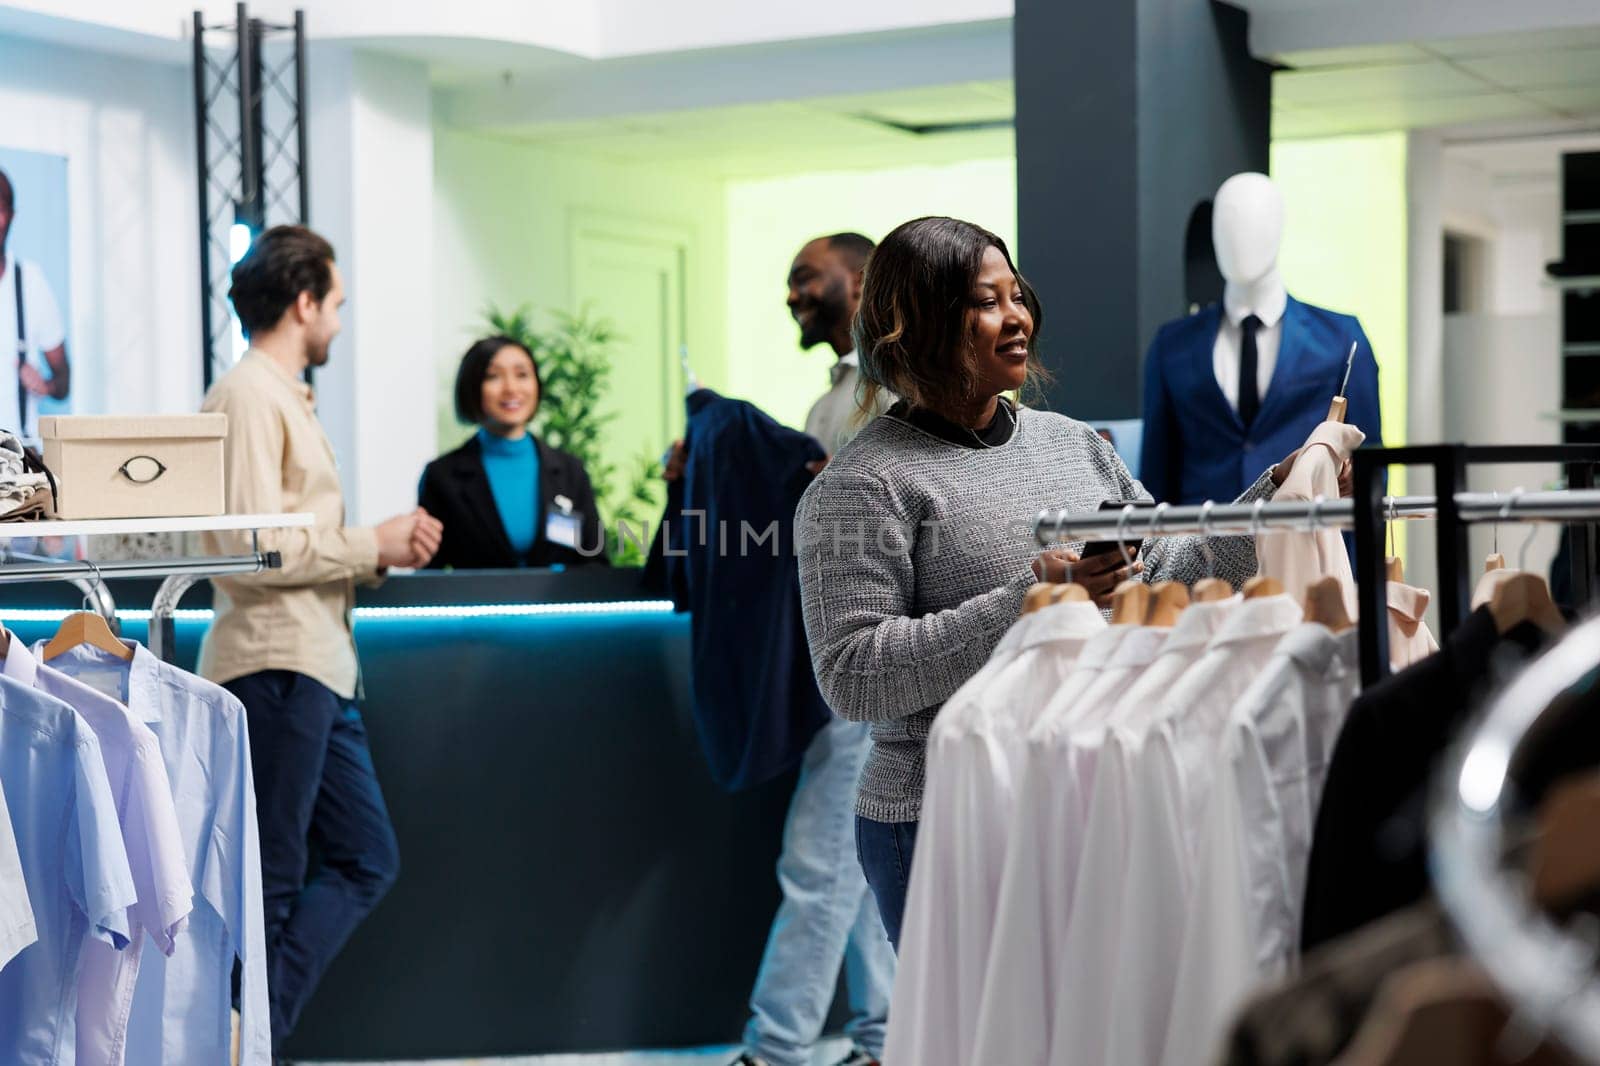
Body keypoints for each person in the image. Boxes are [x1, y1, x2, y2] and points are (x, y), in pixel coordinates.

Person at [795, 216, 1320, 947]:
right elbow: (852, 676)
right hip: (940, 814)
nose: (1017, 318)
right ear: (916, 324)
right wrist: (1030, 602)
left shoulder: (1072, 444)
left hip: (1082, 793)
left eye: (1017, 294)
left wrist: (1276, 499)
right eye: (986, 301)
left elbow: (1165, 566)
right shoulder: (861, 485)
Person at [197, 224, 443, 1052]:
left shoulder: (280, 397)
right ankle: (242, 1043)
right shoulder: (247, 395)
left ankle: (246, 1037)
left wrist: (376, 554)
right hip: (274, 667)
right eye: (334, 303)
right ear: (303, 303)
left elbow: (284, 543)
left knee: (364, 858)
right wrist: (371, 542)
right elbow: (250, 552)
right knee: (268, 882)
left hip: (316, 669)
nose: (338, 320)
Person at [664, 232, 896, 1066]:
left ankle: (779, 1050)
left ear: (861, 281)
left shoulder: (894, 390)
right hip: (843, 663)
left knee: (821, 860)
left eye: (806, 278)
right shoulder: (838, 395)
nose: (793, 294)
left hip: (874, 663)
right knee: (859, 867)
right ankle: (885, 1039)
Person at [418, 335, 608, 568]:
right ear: (471, 387)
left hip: (558, 603)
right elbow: (429, 575)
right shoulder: (442, 476)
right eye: (493, 376)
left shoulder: (570, 471)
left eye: (522, 375)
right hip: (479, 603)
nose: (511, 388)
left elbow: (595, 560)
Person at [0, 167, 70, 438]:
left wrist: (46, 386)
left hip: (19, 458)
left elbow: (64, 381)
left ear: (11, 217)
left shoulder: (30, 282)